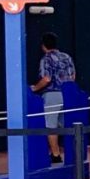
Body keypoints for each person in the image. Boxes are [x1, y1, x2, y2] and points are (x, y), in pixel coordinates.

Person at [30, 32, 76, 163]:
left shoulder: (46, 59)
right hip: (68, 94)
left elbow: (46, 79)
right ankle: (72, 154)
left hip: (52, 95)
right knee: (66, 124)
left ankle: (56, 154)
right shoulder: (67, 57)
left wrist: (34, 88)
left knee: (51, 125)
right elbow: (73, 76)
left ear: (43, 45)